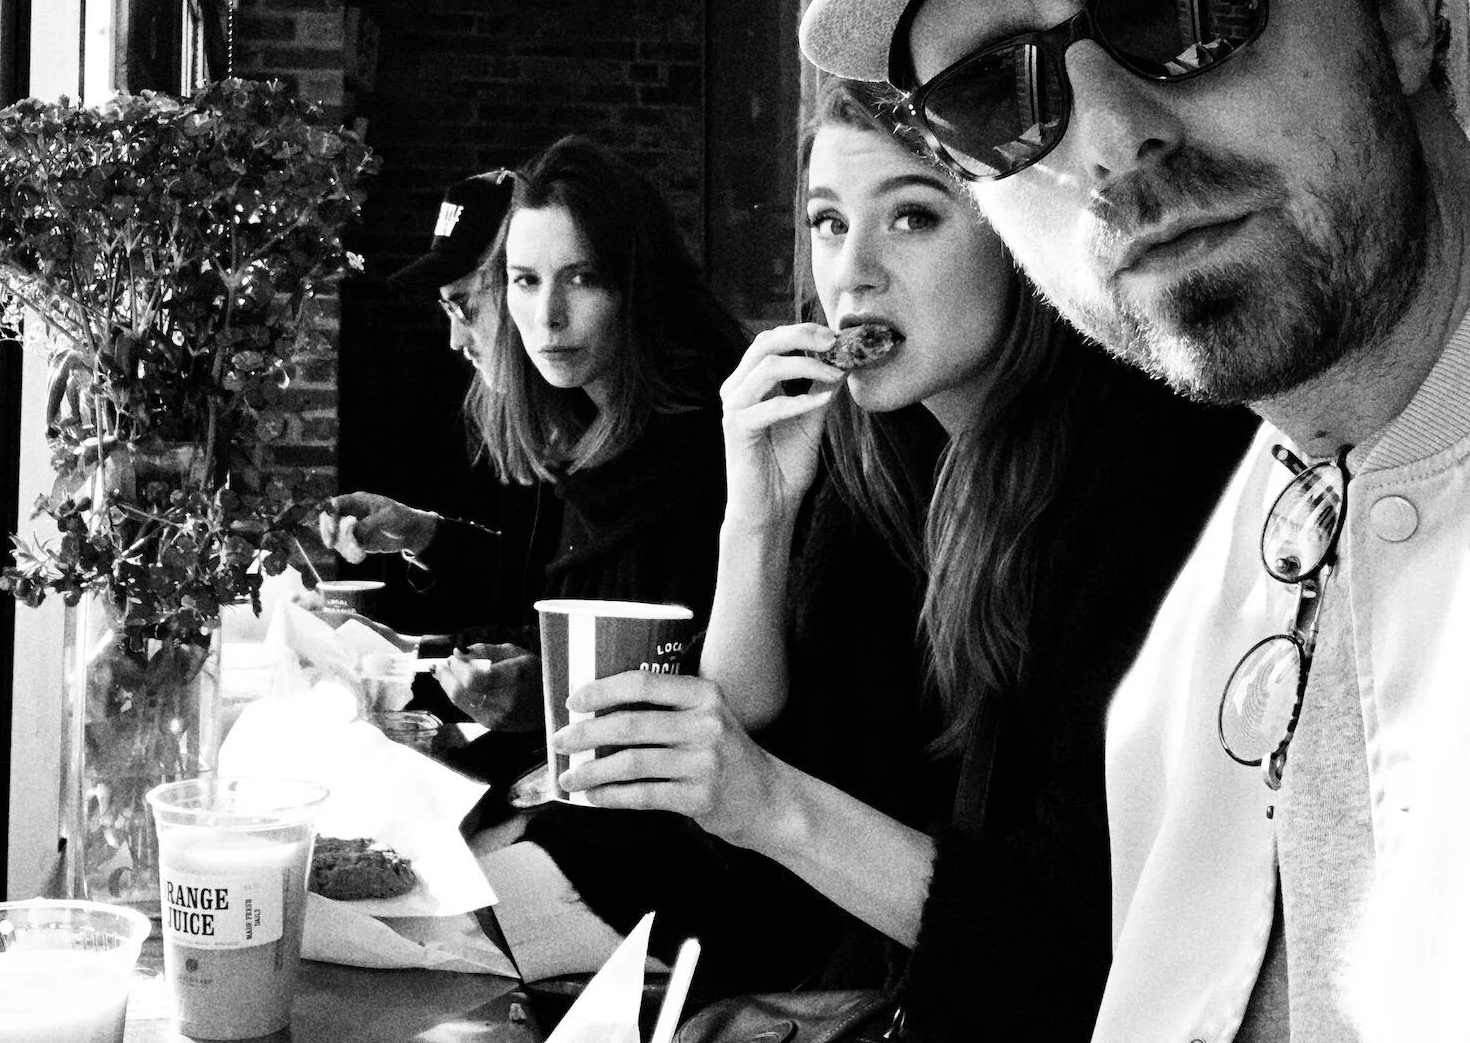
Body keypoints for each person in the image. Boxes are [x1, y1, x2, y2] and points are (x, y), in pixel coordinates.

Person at [796, 0, 1470, 1042]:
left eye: (1179, 0)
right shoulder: (1213, 609)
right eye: (993, 97)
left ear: (1400, 6)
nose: (1108, 142)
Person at [559, 78, 1254, 1029]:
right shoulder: (879, 452)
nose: (853, 274)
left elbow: (1076, 939)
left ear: (1018, 235)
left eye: (913, 218)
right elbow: (760, 763)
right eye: (829, 222)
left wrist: (771, 804)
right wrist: (757, 516)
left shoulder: (1147, 465)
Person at [329, 134, 746, 728]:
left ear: (638, 284)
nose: (548, 317)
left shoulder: (711, 440)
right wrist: (429, 620)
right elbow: (555, 605)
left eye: (582, 277)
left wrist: (546, 694)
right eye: (526, 280)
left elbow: (709, 684)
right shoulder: (579, 422)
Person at [317, 167, 555, 641]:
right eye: (447, 310)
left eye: (464, 306)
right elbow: (530, 582)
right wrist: (421, 533)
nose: (454, 340)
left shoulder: (595, 425)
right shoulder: (528, 418)